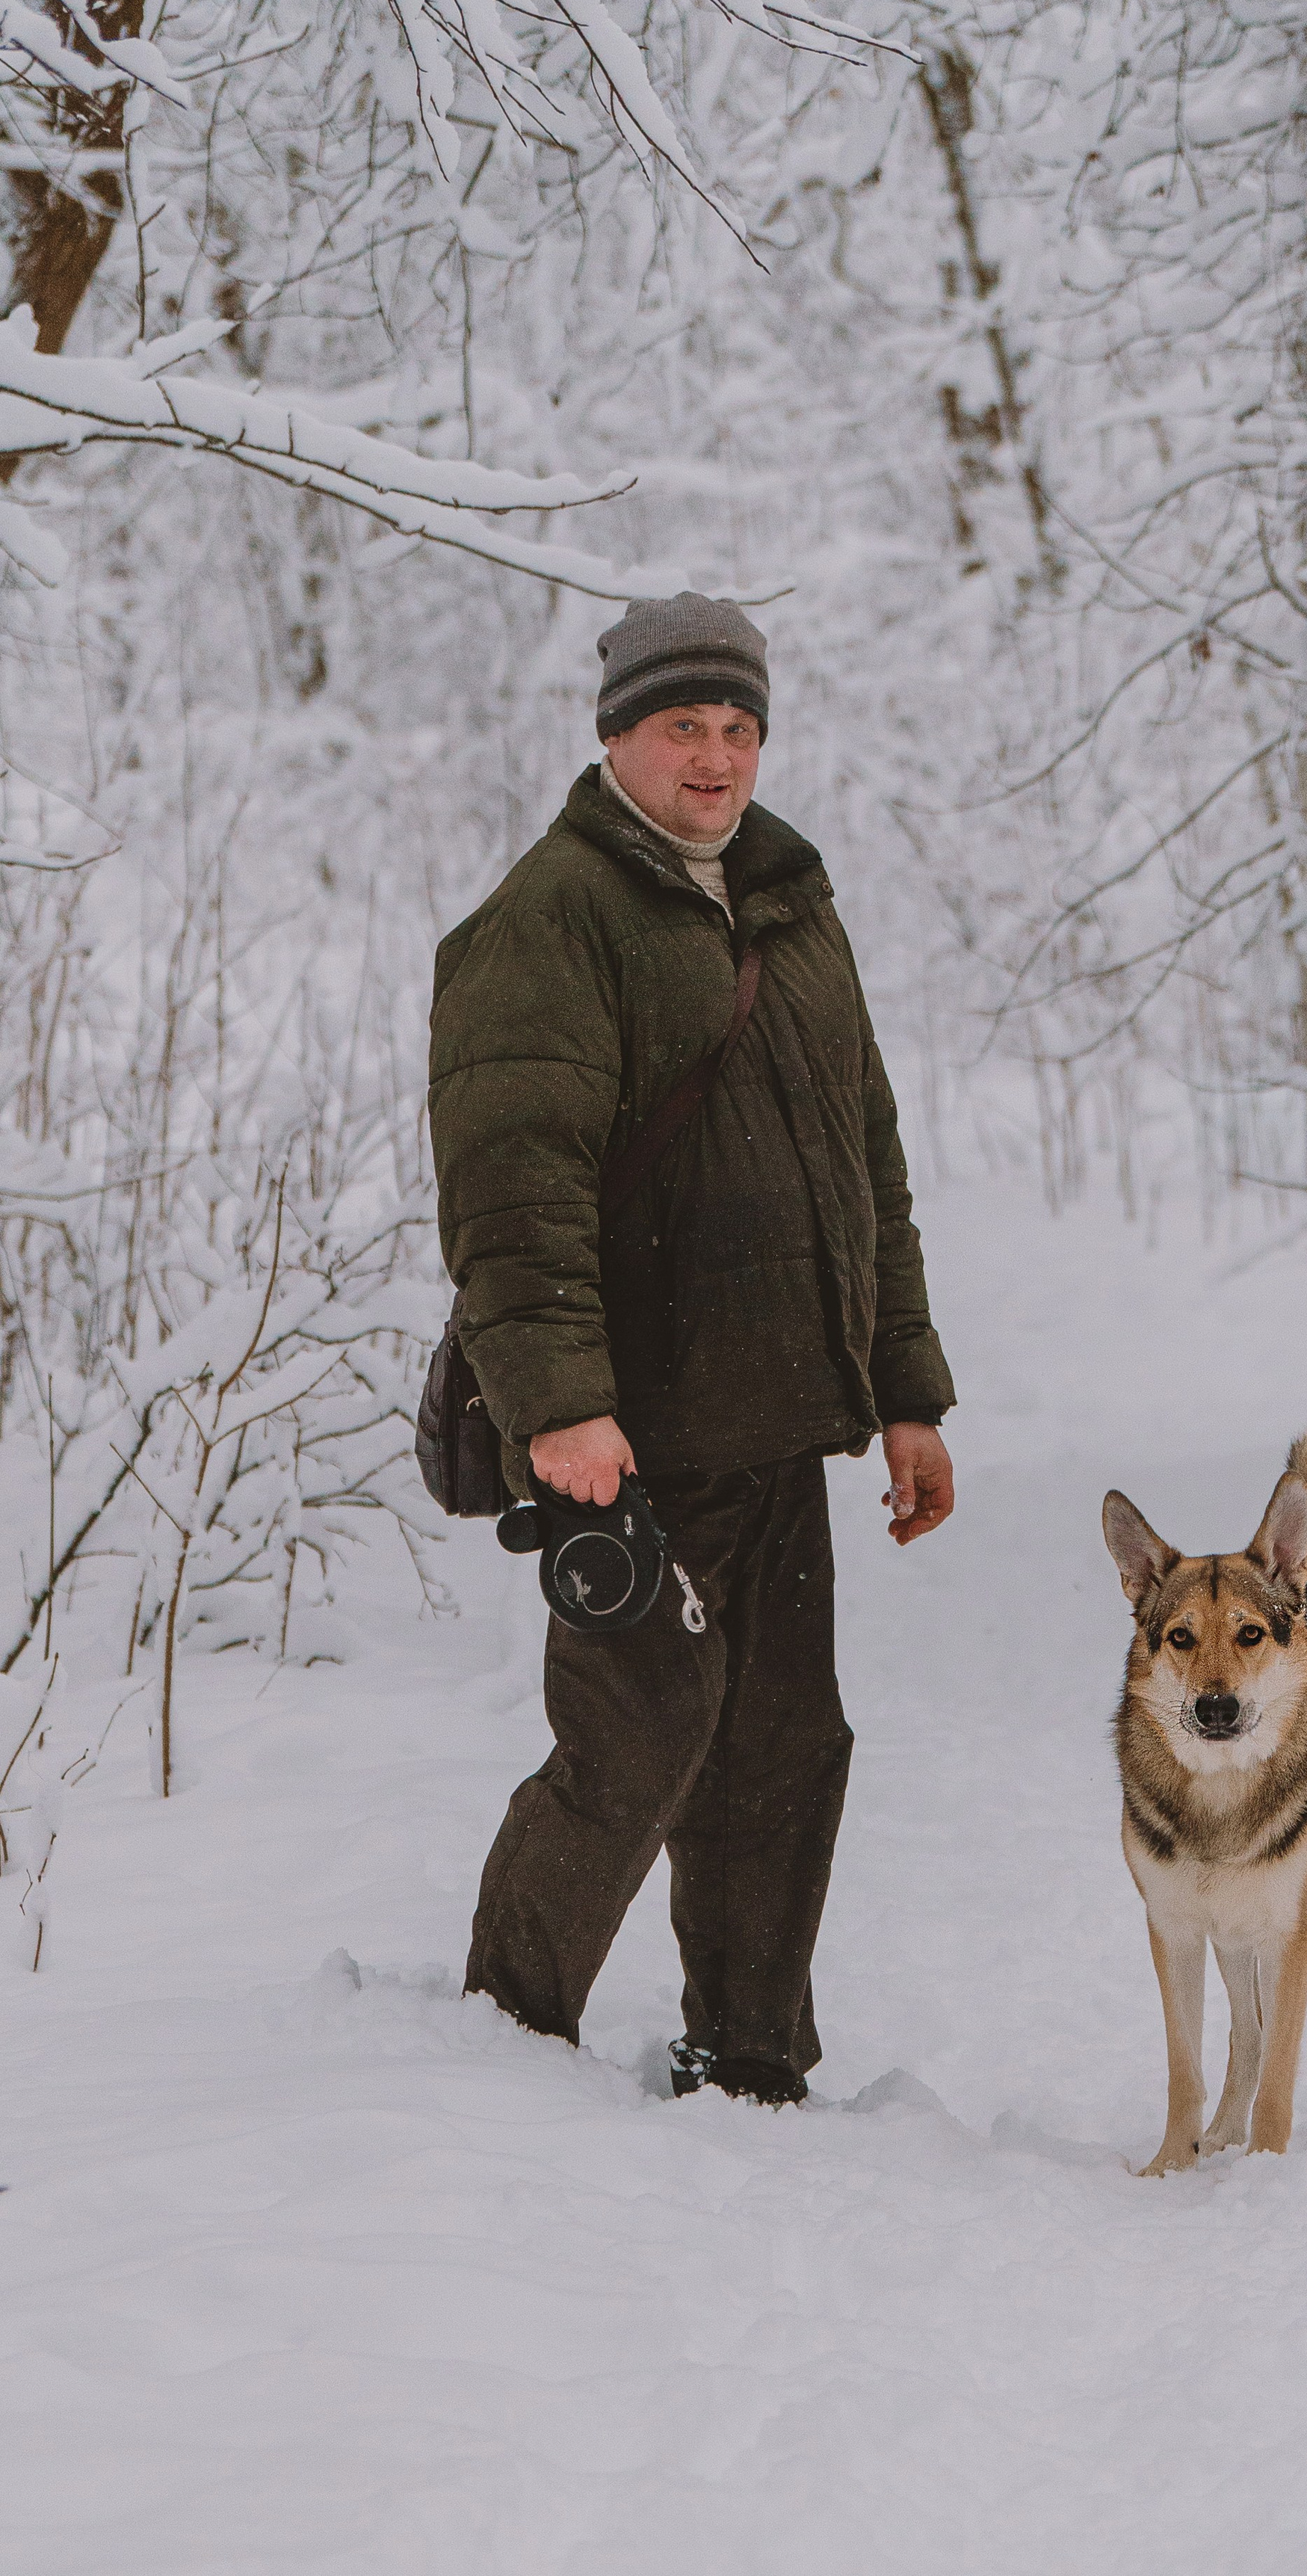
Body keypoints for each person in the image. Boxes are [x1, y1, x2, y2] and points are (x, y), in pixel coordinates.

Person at [430, 593, 954, 2104]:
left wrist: (905, 1391)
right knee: (635, 1740)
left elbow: (865, 1158)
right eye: (683, 726)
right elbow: (512, 1190)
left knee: (783, 1749)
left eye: (738, 727)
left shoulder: (789, 903)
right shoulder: (553, 916)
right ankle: (496, 2041)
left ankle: (750, 2059)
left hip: (781, 1418)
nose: (715, 757)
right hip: (634, 1441)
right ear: (616, 736)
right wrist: (561, 1404)